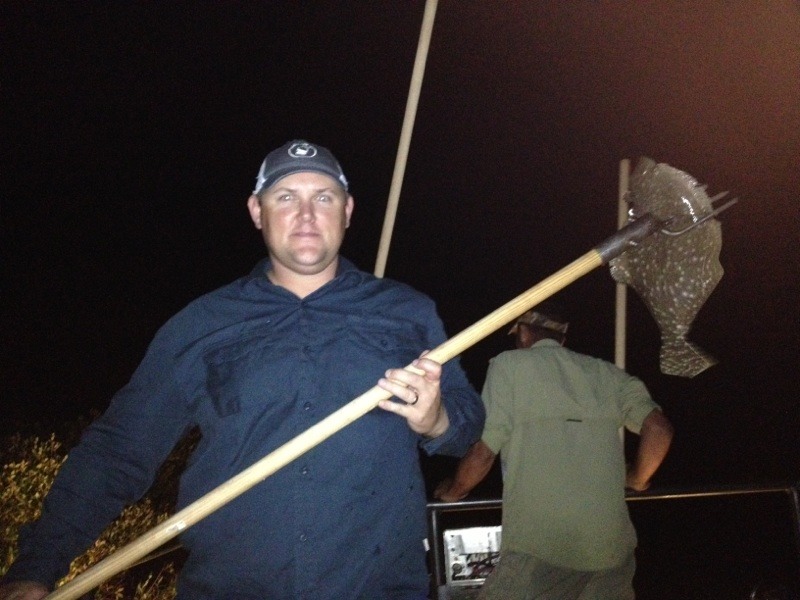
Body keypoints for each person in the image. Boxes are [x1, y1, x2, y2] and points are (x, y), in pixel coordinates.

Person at [1, 140, 485, 600]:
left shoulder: (406, 312)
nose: (307, 214)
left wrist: (437, 420)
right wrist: (36, 567)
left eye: (324, 197)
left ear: (348, 211)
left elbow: (467, 427)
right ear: (257, 211)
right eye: (286, 197)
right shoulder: (202, 324)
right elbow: (118, 451)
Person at [435, 305, 673, 600]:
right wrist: (637, 479)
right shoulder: (607, 373)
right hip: (612, 551)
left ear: (523, 334)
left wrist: (454, 491)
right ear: (562, 338)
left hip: (541, 549)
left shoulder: (509, 365)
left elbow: (484, 452)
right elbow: (659, 429)